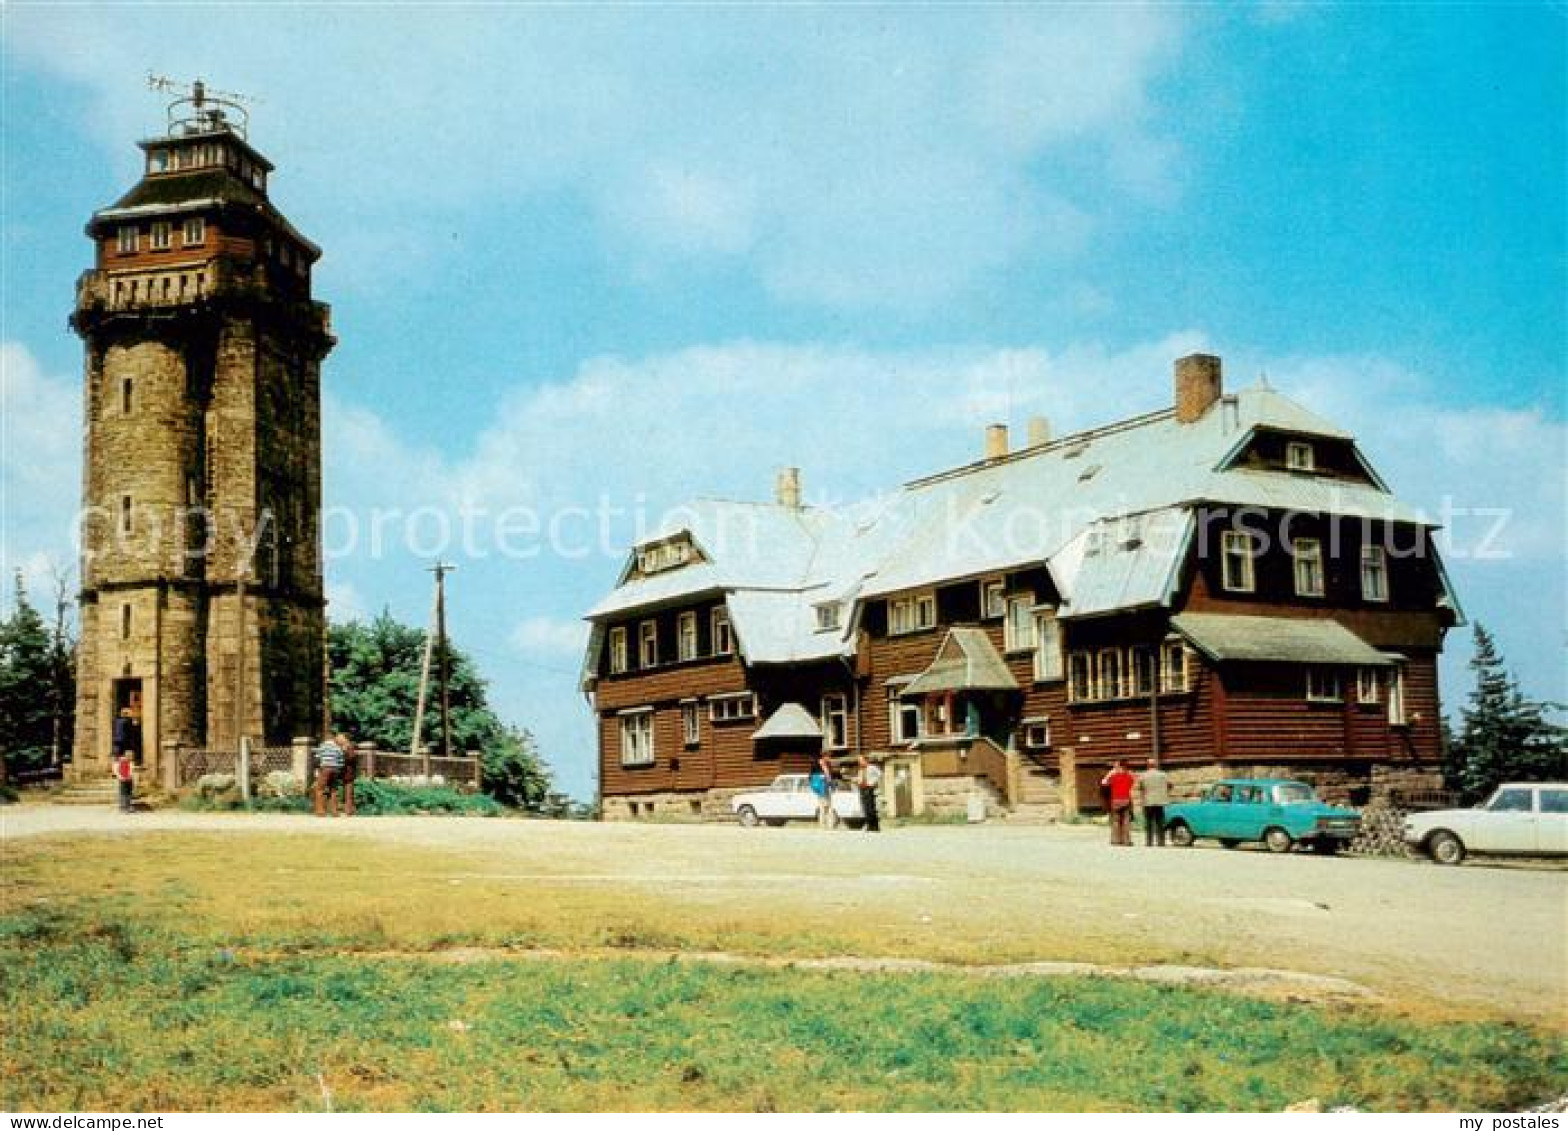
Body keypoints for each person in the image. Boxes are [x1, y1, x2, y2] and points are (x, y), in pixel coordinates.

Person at [1101, 759, 1136, 846]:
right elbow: (1132, 783)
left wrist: (1110, 773)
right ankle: (1126, 841)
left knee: (1115, 821)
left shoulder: (1113, 777)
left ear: (1119, 767)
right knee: (1126, 821)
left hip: (1115, 800)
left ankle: (1115, 840)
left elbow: (1104, 783)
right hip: (1126, 800)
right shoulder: (1128, 776)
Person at [1137, 760, 1172, 847]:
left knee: (1149, 822)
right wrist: (1164, 792)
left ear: (1147, 766)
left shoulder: (1143, 775)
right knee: (1160, 822)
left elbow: (1140, 787)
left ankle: (1149, 842)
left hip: (1148, 801)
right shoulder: (1163, 774)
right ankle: (1161, 842)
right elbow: (1170, 785)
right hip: (1160, 801)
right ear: (1155, 765)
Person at [313, 735, 345, 817]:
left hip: (325, 769)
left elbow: (317, 758)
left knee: (320, 789)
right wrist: (338, 770)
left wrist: (317, 768)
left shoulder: (322, 746)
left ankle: (320, 811)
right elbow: (341, 761)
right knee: (333, 790)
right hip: (335, 770)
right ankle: (335, 812)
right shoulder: (337, 747)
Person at [855, 755, 882, 833]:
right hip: (862, 788)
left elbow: (880, 774)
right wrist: (856, 780)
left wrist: (873, 782)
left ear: (866, 760)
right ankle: (869, 826)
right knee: (865, 808)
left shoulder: (872, 767)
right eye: (859, 761)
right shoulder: (860, 770)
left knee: (871, 808)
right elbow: (859, 779)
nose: (860, 762)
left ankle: (875, 827)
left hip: (869, 788)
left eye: (861, 760)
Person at [812, 751, 838, 829]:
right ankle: (822, 824)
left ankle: (830, 825)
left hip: (828, 787)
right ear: (824, 756)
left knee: (829, 806)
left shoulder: (828, 765)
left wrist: (832, 784)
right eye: (828, 757)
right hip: (821, 787)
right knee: (822, 806)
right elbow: (812, 776)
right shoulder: (816, 765)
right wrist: (821, 777)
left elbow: (830, 776)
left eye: (830, 757)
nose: (829, 758)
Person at [336, 734, 358, 817]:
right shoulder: (339, 747)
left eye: (339, 738)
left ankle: (348, 811)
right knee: (336, 791)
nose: (337, 740)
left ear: (344, 739)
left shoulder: (349, 746)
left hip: (348, 772)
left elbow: (352, 757)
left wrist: (344, 753)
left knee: (349, 792)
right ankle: (336, 809)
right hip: (339, 771)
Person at [112, 748, 134, 813]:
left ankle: (128, 806)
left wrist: (130, 776)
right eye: (130, 755)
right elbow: (116, 770)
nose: (131, 757)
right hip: (122, 779)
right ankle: (123, 807)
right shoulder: (119, 761)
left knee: (129, 793)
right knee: (123, 793)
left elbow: (131, 769)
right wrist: (120, 777)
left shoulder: (130, 762)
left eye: (132, 756)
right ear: (126, 755)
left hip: (129, 779)